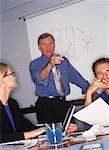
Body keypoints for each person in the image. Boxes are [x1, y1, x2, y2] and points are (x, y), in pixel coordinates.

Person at [29, 33, 90, 124]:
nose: (48, 47)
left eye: (50, 44)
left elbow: (75, 77)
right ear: (39, 47)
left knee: (70, 131)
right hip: (46, 105)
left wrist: (89, 89)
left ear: (54, 45)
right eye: (44, 45)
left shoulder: (63, 61)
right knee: (50, 135)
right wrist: (50, 64)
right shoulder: (35, 64)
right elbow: (39, 79)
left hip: (62, 103)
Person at [0, 63, 45, 143]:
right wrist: (29, 134)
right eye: (12, 74)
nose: (15, 77)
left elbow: (27, 127)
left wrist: (55, 128)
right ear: (2, 80)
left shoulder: (13, 104)